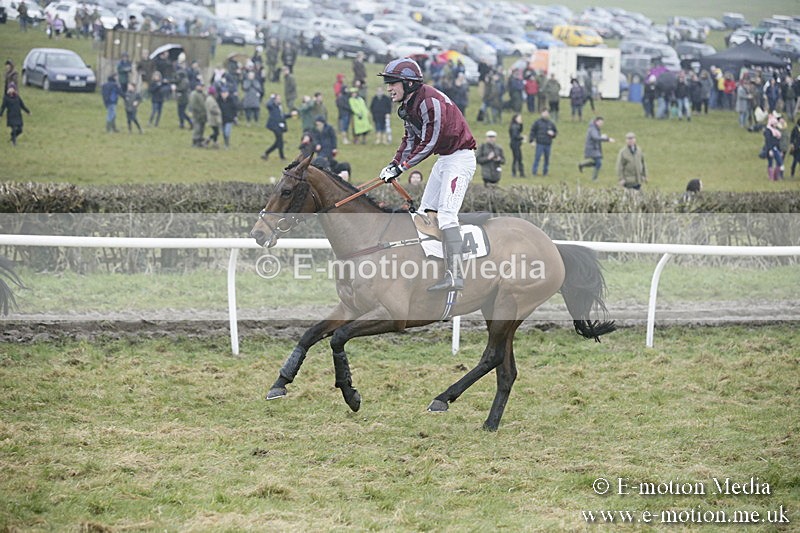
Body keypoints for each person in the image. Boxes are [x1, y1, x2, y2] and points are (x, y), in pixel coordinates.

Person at [377, 58, 477, 291]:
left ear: (409, 84)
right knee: (424, 214)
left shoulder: (430, 103)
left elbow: (429, 142)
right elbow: (410, 140)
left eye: (393, 83)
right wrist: (393, 164)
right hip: (445, 160)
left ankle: (455, 275)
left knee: (447, 216)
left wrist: (402, 167)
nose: (389, 88)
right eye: (388, 83)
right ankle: (427, 269)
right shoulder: (407, 107)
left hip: (460, 159)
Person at [578, 116, 615, 181]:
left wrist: (602, 137)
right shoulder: (593, 129)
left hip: (594, 148)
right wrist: (607, 139)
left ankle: (582, 165)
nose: (601, 124)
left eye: (602, 123)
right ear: (596, 121)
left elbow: (597, 137)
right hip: (592, 148)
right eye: (600, 122)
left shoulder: (595, 128)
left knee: (597, 163)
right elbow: (595, 137)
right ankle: (594, 178)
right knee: (599, 163)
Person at [528, 109, 557, 176]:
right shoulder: (537, 122)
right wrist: (531, 140)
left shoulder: (551, 123)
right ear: (541, 113)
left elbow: (555, 132)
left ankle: (545, 172)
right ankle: (534, 171)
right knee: (537, 158)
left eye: (547, 113)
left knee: (547, 159)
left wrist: (553, 134)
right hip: (539, 143)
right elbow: (532, 131)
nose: (545, 114)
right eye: (544, 113)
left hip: (548, 144)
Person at [261, 93, 286, 161]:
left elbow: (282, 115)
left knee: (278, 142)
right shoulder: (272, 106)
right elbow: (268, 104)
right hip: (274, 126)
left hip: (279, 126)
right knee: (280, 142)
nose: (279, 100)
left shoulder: (279, 106)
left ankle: (266, 153)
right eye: (278, 98)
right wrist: (271, 98)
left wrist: (291, 114)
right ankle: (282, 157)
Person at [763, 111, 786, 180]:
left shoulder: (776, 131)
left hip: (776, 148)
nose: (776, 125)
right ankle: (771, 176)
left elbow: (778, 142)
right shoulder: (768, 131)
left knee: (778, 161)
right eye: (775, 124)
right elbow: (768, 141)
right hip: (771, 148)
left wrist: (780, 150)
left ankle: (775, 176)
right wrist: (770, 150)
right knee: (771, 162)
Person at [189, 82, 207, 147]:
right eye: (200, 86)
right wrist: (199, 111)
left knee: (202, 128)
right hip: (197, 114)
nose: (201, 87)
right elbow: (193, 105)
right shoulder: (194, 94)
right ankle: (195, 141)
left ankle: (200, 141)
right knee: (197, 128)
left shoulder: (203, 94)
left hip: (203, 115)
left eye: (202, 86)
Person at [508, 113, 525, 177]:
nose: (521, 119)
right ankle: (517, 173)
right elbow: (515, 136)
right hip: (515, 144)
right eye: (519, 118)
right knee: (517, 158)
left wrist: (521, 124)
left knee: (517, 158)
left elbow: (520, 130)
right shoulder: (514, 126)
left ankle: (519, 173)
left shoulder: (515, 125)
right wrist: (522, 137)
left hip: (516, 144)